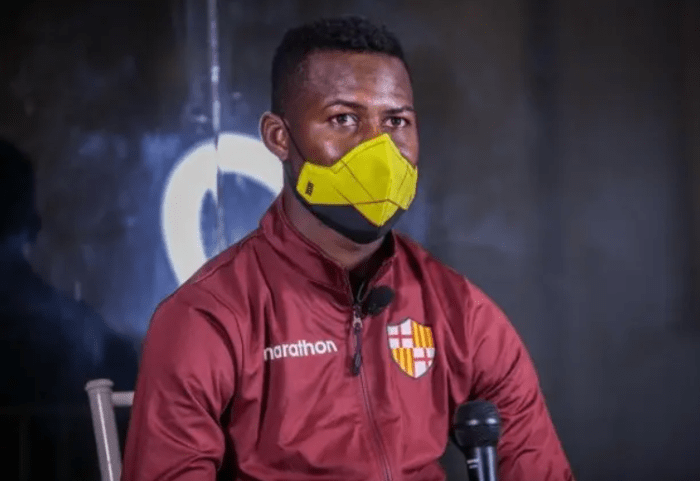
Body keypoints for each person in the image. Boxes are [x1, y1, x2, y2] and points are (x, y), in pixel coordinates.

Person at [123, 16, 574, 481]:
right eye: (343, 119)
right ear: (279, 137)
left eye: (396, 121)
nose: (379, 149)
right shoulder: (208, 317)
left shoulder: (459, 312)